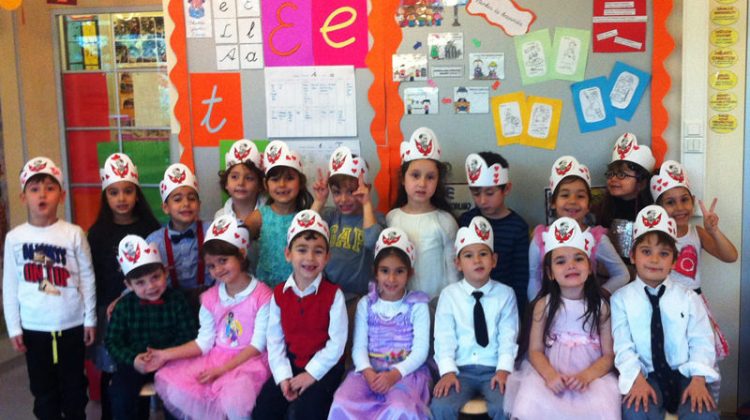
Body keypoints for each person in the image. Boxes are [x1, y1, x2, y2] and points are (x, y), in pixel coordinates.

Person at [150, 215, 272, 419]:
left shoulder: (262, 296)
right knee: (179, 389)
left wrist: (222, 370)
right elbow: (204, 342)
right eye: (211, 266)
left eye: (223, 261)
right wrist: (165, 355)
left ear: (242, 254)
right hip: (215, 358)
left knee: (235, 403)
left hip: (248, 362)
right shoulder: (210, 298)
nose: (218, 269)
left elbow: (257, 345)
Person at [3, 157, 96, 420]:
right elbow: (9, 285)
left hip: (72, 325)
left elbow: (87, 277)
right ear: (23, 198)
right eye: (34, 189)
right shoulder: (14, 238)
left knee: (74, 390)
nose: (42, 194)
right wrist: (14, 327)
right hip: (34, 328)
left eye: (50, 188)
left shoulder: (73, 234)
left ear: (62, 195)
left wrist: (90, 318)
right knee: (43, 393)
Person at [504, 217, 620, 419]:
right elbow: (535, 350)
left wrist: (587, 376)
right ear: (550, 273)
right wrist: (549, 375)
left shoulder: (601, 307)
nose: (571, 265)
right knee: (530, 400)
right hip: (550, 375)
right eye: (561, 261)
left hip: (591, 378)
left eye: (578, 259)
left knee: (603, 406)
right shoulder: (543, 305)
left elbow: (608, 355)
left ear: (590, 267)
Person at [611, 205, 719, 419]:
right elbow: (622, 345)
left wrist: (698, 378)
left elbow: (701, 340)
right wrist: (636, 378)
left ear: (674, 261)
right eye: (646, 252)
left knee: (702, 413)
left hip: (685, 372)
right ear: (632, 256)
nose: (654, 260)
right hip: (645, 374)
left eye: (664, 253)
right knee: (636, 411)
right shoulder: (620, 299)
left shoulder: (689, 297)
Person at [253, 210, 347, 420]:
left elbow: (337, 344)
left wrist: (311, 374)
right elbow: (274, 340)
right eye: (302, 250)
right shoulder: (279, 294)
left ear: (327, 257)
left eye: (318, 251)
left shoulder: (334, 295)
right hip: (292, 361)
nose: (310, 258)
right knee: (264, 408)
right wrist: (283, 376)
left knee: (308, 411)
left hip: (325, 366)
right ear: (288, 254)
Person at [329, 227, 431, 419]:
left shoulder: (417, 305)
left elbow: (420, 351)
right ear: (375, 272)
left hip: (404, 372)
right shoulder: (366, 304)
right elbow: (359, 347)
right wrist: (367, 372)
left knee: (400, 408)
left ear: (409, 273)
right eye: (385, 271)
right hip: (369, 369)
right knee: (342, 401)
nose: (391, 279)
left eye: (399, 271)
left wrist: (395, 374)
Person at [88, 153, 161, 419]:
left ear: (137, 194)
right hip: (108, 311)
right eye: (114, 192)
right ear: (105, 197)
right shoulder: (97, 233)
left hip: (141, 311)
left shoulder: (150, 228)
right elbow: (93, 276)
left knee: (137, 370)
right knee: (111, 371)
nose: (121, 198)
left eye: (128, 191)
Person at [431, 216, 519, 420]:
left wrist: (504, 369)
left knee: (506, 406)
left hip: (493, 369)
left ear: (494, 260)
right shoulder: (449, 295)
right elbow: (444, 337)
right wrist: (448, 371)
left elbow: (508, 336)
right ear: (458, 263)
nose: (477, 260)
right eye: (468, 255)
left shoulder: (506, 294)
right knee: (441, 406)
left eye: (483, 254)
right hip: (460, 370)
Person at [650, 160, 737, 359]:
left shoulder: (696, 233)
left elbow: (731, 256)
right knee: (670, 355)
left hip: (694, 305)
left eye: (684, 200)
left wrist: (713, 231)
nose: (680, 207)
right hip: (664, 304)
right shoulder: (654, 238)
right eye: (670, 202)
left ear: (693, 201)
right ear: (658, 207)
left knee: (699, 354)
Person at [105, 235, 196, 420]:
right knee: (121, 397)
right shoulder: (123, 306)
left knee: (179, 397)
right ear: (129, 285)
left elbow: (188, 334)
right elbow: (112, 342)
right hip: (135, 363)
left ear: (165, 273)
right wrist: (133, 359)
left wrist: (164, 355)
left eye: (155, 277)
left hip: (171, 361)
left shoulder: (177, 300)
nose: (151, 286)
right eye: (140, 283)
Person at [528, 156, 629, 301]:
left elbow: (622, 274)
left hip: (588, 310)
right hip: (550, 309)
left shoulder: (597, 239)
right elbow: (534, 277)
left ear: (589, 205)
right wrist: (538, 306)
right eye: (565, 195)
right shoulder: (541, 238)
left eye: (580, 196)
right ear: (553, 202)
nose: (573, 201)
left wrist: (599, 297)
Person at [386, 127, 459, 299]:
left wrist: (453, 304)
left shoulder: (445, 221)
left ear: (438, 181)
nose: (422, 183)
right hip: (403, 304)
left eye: (430, 177)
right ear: (403, 179)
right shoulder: (392, 218)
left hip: (438, 303)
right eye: (415, 175)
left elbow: (453, 271)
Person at [460, 152, 530, 316]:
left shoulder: (518, 227)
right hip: (468, 301)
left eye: (490, 193)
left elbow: (520, 278)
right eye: (476, 193)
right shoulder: (466, 220)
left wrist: (517, 315)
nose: (482, 200)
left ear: (506, 189)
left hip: (503, 304)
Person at [311, 146, 385, 300]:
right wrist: (319, 201)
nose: (343, 199)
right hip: (329, 294)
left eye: (351, 192)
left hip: (362, 297)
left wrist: (366, 204)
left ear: (367, 189)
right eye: (337, 192)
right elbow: (306, 232)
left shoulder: (376, 219)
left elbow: (371, 241)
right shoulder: (330, 216)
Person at [147, 163, 213, 315]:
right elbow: (141, 275)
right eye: (177, 199)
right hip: (170, 307)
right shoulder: (154, 242)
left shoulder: (212, 231)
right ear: (166, 207)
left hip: (210, 303)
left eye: (192, 198)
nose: (186, 204)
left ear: (199, 205)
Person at [245, 140, 314, 287]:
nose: (282, 185)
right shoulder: (259, 216)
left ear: (300, 183)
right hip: (266, 290)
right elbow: (236, 244)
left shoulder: (305, 217)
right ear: (266, 184)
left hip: (299, 288)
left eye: (289, 178)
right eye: (275, 179)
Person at [594, 133, 655, 266]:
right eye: (611, 174)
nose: (613, 179)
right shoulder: (603, 209)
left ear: (641, 182)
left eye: (622, 174)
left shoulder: (651, 213)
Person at [215, 139, 266, 223]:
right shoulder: (220, 216)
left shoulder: (269, 215)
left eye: (249, 178)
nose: (241, 183)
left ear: (260, 185)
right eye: (234, 177)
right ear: (226, 183)